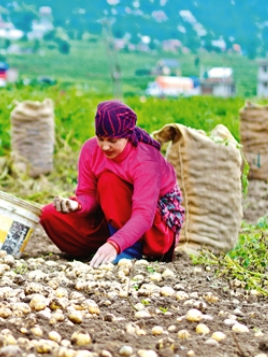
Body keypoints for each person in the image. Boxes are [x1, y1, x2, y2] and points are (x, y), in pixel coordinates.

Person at [40, 101, 185, 268]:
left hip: (154, 228)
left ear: (127, 136)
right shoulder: (90, 149)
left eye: (112, 140)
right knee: (49, 215)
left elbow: (144, 215)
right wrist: (77, 205)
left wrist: (115, 243)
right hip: (111, 217)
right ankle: (103, 250)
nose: (105, 146)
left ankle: (128, 252)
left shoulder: (146, 160)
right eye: (101, 139)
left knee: (110, 180)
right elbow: (88, 195)